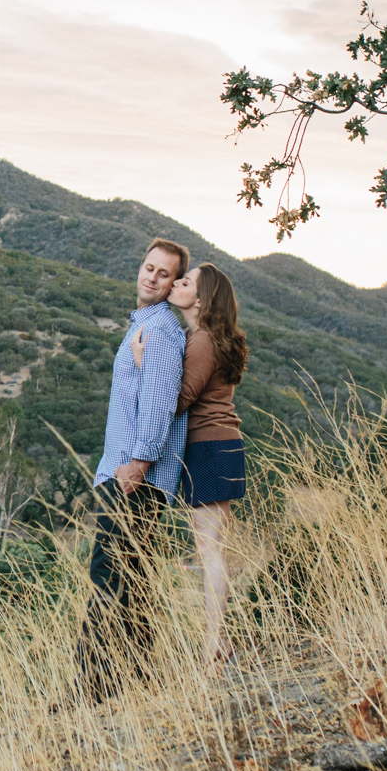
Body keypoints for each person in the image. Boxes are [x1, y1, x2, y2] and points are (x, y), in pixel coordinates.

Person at [77, 236, 191, 698]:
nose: (152, 277)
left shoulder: (160, 329)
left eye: (164, 274)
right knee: (133, 582)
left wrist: (138, 463)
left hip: (132, 478)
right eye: (149, 267)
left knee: (109, 579)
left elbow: (161, 404)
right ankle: (141, 683)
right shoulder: (145, 326)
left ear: (172, 283)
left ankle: (89, 690)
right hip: (128, 473)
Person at [134, 261, 249, 666]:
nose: (176, 284)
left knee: (209, 551)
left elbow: (177, 399)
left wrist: (142, 363)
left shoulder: (201, 341)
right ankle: (220, 640)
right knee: (214, 549)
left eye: (185, 281)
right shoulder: (208, 339)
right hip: (222, 447)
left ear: (201, 299)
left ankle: (214, 644)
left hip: (209, 448)